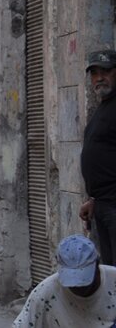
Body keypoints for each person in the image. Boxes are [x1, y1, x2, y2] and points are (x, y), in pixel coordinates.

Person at [13, 234, 116, 327]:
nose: (77, 287)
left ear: (97, 266)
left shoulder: (113, 281)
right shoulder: (45, 293)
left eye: (83, 280)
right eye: (72, 281)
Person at [79, 49, 116, 266]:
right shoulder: (104, 108)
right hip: (103, 205)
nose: (99, 77)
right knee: (111, 273)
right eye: (94, 73)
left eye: (106, 71)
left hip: (113, 205)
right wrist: (93, 199)